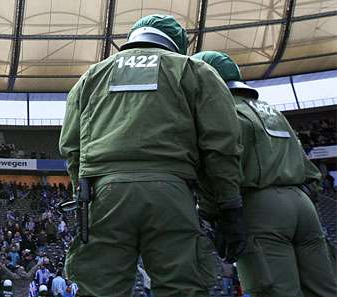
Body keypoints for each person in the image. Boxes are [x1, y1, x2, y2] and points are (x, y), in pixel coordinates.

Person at [59, 14, 246, 297]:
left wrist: (84, 192)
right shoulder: (193, 69)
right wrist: (226, 206)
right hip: (172, 192)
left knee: (99, 289)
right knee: (181, 287)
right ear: (177, 44)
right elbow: (221, 145)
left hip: (103, 193)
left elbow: (71, 147)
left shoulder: (91, 76)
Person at [192, 50, 337, 297]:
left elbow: (219, 167)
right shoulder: (272, 111)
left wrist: (212, 214)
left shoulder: (222, 112)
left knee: (275, 290)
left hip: (260, 208)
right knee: (323, 288)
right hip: (304, 206)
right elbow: (309, 168)